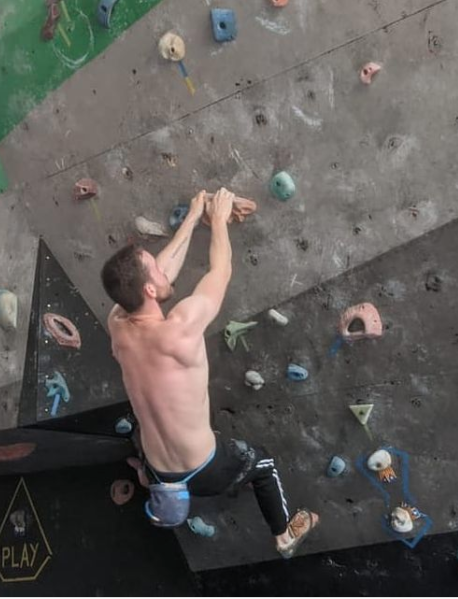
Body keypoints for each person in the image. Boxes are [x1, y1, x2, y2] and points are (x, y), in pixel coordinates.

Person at [101, 188, 319, 558]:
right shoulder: (180, 328)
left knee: (145, 425)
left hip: (159, 469)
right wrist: (218, 220)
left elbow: (158, 277)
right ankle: (283, 535)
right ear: (150, 288)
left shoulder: (118, 324)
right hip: (206, 470)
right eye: (154, 266)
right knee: (262, 464)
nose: (162, 266)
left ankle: (144, 474)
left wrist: (191, 218)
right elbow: (221, 271)